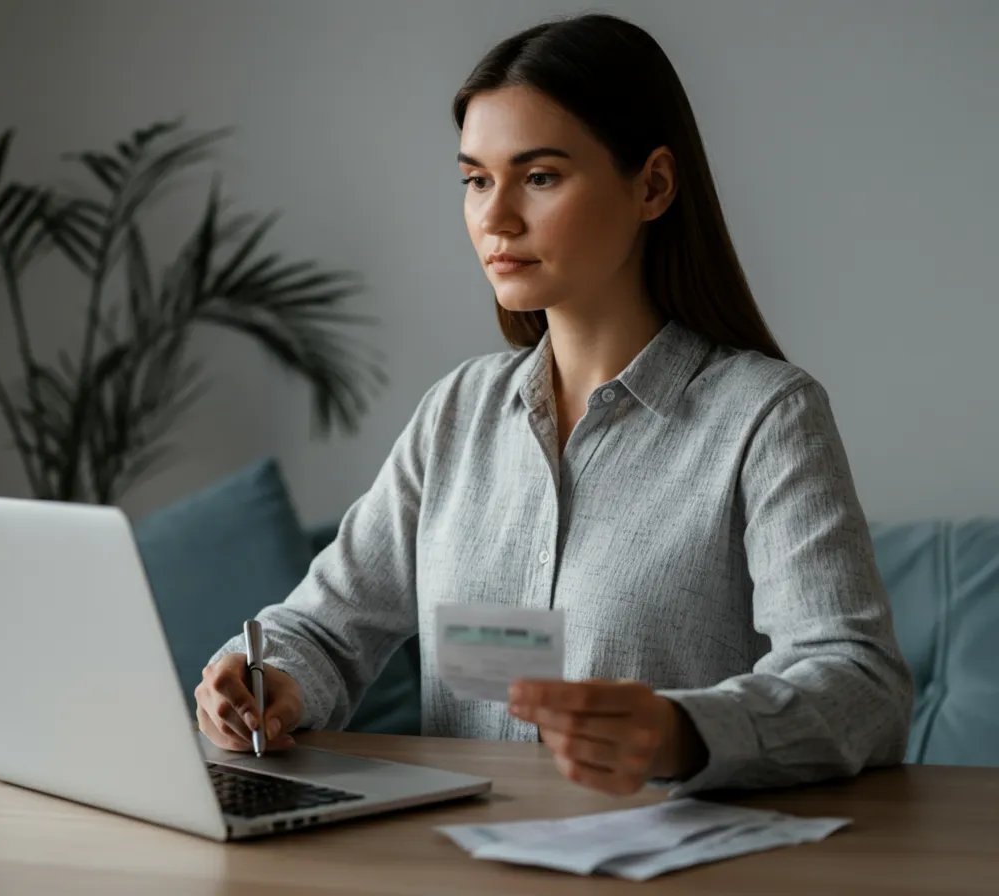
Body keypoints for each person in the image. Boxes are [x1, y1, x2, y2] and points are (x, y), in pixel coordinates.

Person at [194, 12, 913, 798]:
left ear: (654, 185)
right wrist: (266, 680)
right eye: (475, 179)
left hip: (670, 868)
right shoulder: (457, 413)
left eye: (539, 177)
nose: (495, 217)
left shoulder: (766, 418)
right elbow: (323, 630)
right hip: (459, 864)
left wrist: (683, 732)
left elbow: (859, 684)